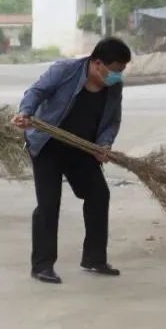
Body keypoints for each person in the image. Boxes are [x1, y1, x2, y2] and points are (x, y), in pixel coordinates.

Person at [12, 37, 132, 284]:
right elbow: (36, 92)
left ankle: (94, 259)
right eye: (116, 70)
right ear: (98, 64)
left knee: (99, 194)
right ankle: (42, 265)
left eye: (121, 71)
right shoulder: (65, 71)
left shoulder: (114, 88)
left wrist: (105, 145)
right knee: (49, 204)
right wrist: (26, 112)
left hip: (82, 149)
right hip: (48, 146)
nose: (118, 76)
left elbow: (112, 120)